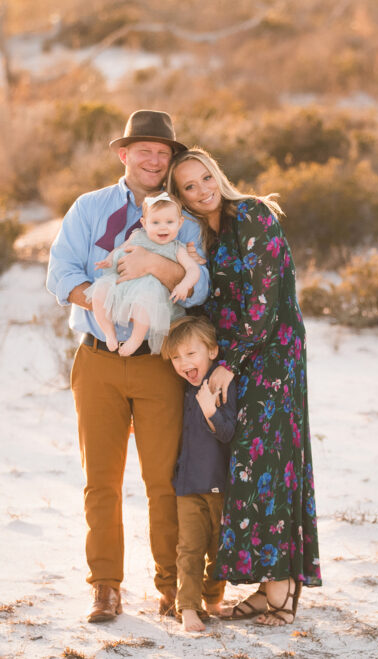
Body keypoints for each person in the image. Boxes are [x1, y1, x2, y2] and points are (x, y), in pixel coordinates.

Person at [45, 110, 210, 623]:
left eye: (163, 153)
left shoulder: (186, 218)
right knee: (102, 480)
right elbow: (60, 273)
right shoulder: (90, 207)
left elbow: (201, 287)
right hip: (97, 360)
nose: (154, 160)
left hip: (159, 362)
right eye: (145, 151)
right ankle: (106, 587)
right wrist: (94, 297)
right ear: (124, 154)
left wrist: (153, 266)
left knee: (165, 480)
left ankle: (169, 587)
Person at [163, 147, 322, 626]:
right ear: (181, 197)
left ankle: (282, 593)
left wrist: (228, 363)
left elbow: (264, 303)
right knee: (246, 471)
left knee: (267, 462)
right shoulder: (205, 234)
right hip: (234, 357)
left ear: (218, 174)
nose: (202, 190)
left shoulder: (252, 214)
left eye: (205, 178)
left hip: (270, 356)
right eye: (189, 187)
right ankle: (264, 586)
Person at [160, 316, 236, 633]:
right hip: (188, 486)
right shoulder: (180, 390)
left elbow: (228, 432)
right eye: (176, 357)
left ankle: (213, 600)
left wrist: (210, 409)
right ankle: (188, 606)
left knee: (219, 549)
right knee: (189, 549)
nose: (183, 363)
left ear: (213, 352)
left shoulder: (222, 389)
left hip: (219, 486)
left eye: (191, 354)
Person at [86, 192, 200, 356]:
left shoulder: (177, 248)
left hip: (150, 291)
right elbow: (119, 249)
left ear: (180, 223)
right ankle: (109, 332)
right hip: (123, 283)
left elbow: (192, 269)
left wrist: (184, 285)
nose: (163, 227)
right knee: (99, 292)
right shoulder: (137, 235)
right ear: (144, 223)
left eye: (169, 222)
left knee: (144, 304)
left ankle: (135, 339)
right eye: (155, 222)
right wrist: (109, 260)